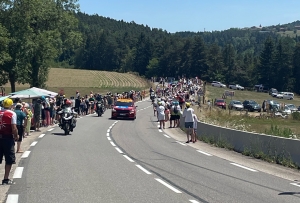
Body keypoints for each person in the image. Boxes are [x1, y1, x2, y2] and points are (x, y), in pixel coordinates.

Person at [0, 98, 18, 185]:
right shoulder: (12, 114)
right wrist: (16, 135)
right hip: (7, 138)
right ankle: (5, 179)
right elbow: (14, 127)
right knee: (9, 159)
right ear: (11, 105)